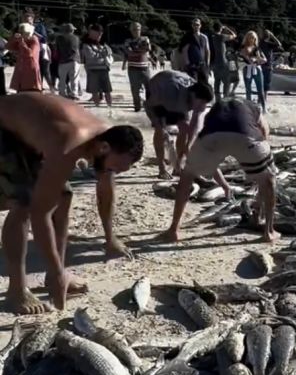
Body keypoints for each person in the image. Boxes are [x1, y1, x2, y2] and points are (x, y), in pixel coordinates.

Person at [0, 93, 143, 313]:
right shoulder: (69, 143)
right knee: (24, 204)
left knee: (64, 196)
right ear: (104, 148)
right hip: (5, 129)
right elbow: (41, 214)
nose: (110, 173)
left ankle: (56, 273)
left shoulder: (108, 139)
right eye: (113, 168)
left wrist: (110, 238)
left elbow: (106, 189)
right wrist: (56, 271)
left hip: (30, 132)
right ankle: (16, 292)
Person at [157, 98, 277, 244]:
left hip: (210, 138)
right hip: (246, 137)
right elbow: (265, 131)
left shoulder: (214, 111)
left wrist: (225, 185)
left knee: (187, 177)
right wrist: (257, 164)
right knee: (268, 177)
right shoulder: (253, 107)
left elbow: (212, 159)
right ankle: (268, 231)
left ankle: (173, 230)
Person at [144, 70, 213, 180]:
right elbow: (149, 105)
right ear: (193, 96)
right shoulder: (171, 93)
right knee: (160, 130)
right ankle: (161, 167)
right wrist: (159, 125)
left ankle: (178, 165)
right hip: (159, 92)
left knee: (185, 129)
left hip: (178, 97)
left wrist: (188, 147)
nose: (201, 106)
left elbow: (193, 126)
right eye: (200, 103)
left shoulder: (198, 94)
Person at [81, 24, 114, 114]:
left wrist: (103, 53)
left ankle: (110, 108)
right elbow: (90, 56)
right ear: (92, 32)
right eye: (98, 33)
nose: (100, 35)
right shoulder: (86, 44)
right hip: (92, 70)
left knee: (107, 90)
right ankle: (97, 107)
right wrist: (102, 54)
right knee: (94, 91)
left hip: (104, 69)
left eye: (101, 34)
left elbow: (110, 52)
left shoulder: (103, 44)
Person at [121, 22, 151, 111]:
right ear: (131, 30)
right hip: (133, 68)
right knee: (135, 89)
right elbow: (128, 53)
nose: (136, 31)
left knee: (149, 88)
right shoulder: (128, 41)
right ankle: (137, 107)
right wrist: (139, 51)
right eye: (134, 29)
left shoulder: (145, 38)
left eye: (137, 28)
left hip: (145, 67)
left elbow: (147, 49)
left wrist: (135, 51)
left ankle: (149, 105)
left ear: (140, 29)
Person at [8, 24, 42, 93]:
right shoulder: (23, 40)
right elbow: (9, 47)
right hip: (21, 68)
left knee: (30, 90)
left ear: (28, 33)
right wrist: (13, 39)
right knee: (20, 91)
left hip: (30, 69)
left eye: (22, 33)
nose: (21, 35)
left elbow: (30, 53)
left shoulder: (34, 40)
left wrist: (21, 42)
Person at [210, 22, 237, 103]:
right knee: (226, 82)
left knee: (217, 82)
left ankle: (217, 101)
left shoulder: (212, 37)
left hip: (215, 63)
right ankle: (225, 100)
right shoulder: (222, 37)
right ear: (221, 29)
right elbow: (234, 35)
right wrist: (227, 28)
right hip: (223, 62)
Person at [241, 31, 266, 111]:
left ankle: (264, 108)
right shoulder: (243, 48)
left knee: (260, 90)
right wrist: (251, 59)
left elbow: (265, 59)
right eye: (250, 37)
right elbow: (243, 57)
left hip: (257, 68)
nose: (252, 39)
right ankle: (249, 109)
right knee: (248, 90)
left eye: (253, 38)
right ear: (247, 38)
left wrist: (258, 59)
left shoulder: (257, 48)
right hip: (247, 68)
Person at [180, 19, 210, 84]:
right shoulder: (188, 37)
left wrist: (207, 63)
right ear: (192, 26)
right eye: (194, 25)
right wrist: (187, 63)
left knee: (205, 82)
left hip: (202, 63)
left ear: (200, 26)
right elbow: (184, 50)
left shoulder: (204, 37)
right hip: (192, 64)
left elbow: (207, 50)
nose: (196, 26)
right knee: (193, 82)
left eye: (197, 25)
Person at [55, 23, 81, 100]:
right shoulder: (75, 38)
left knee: (62, 79)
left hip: (62, 61)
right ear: (72, 30)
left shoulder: (59, 38)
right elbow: (76, 50)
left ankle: (62, 93)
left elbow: (57, 49)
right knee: (74, 79)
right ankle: (74, 93)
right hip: (74, 60)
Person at [259, 29, 282, 102]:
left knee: (260, 83)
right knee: (266, 84)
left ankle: (260, 99)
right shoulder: (269, 44)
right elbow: (279, 44)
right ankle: (263, 99)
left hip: (260, 65)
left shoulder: (260, 43)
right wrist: (273, 36)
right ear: (269, 36)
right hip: (267, 66)